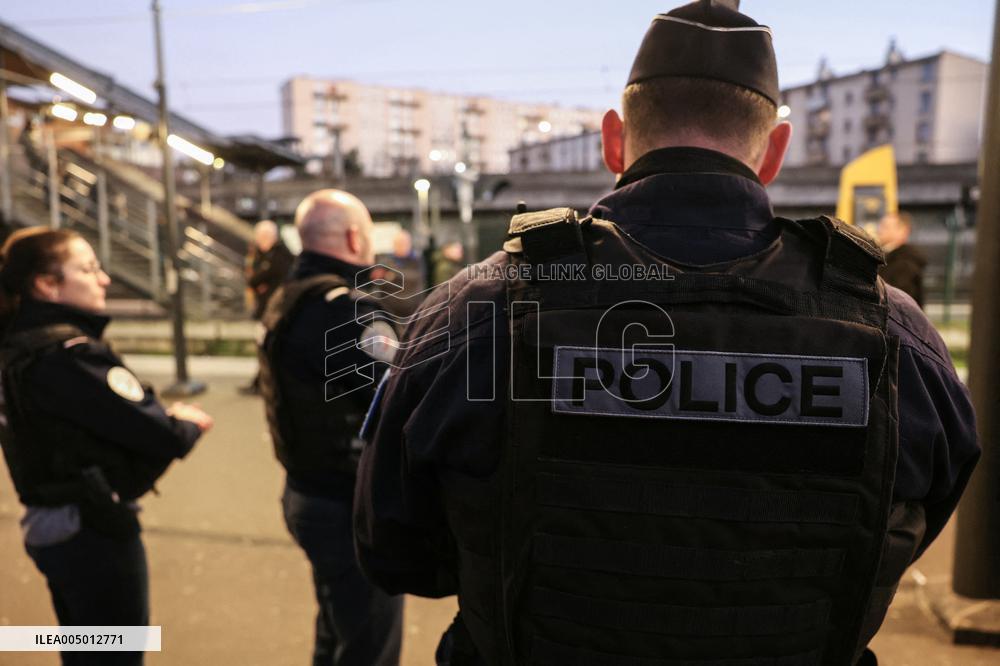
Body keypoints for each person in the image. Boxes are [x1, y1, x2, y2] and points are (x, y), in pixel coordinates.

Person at [353, 2, 980, 665]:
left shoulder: (474, 309)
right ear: (773, 152)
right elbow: (917, 509)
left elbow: (392, 551)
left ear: (613, 138)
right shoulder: (894, 331)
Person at [0, 227, 212, 666]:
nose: (104, 279)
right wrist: (186, 423)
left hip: (52, 526)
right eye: (88, 268)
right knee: (116, 653)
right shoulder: (68, 354)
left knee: (82, 647)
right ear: (46, 283)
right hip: (91, 531)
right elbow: (160, 433)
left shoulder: (17, 345)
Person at [257, 189, 402, 666]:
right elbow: (398, 400)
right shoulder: (348, 310)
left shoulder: (288, 295)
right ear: (354, 236)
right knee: (367, 646)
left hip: (304, 491)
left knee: (336, 628)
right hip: (347, 505)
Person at [241, 219, 294, 394]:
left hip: (274, 312)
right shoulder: (267, 255)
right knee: (268, 348)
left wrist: (259, 281)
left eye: (260, 237)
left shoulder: (279, 256)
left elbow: (256, 278)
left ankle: (262, 384)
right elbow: (254, 278)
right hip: (270, 311)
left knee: (269, 348)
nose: (258, 241)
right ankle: (260, 384)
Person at [877, 211, 927, 308]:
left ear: (903, 231)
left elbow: (899, 300)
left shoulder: (906, 262)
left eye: (885, 227)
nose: (879, 230)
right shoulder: (886, 256)